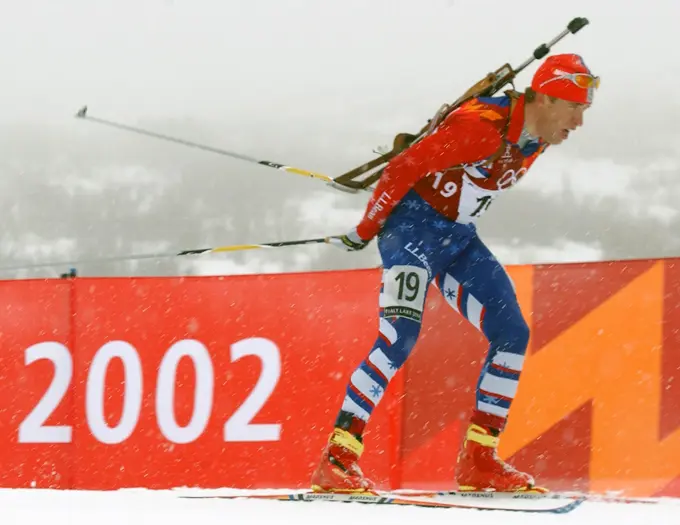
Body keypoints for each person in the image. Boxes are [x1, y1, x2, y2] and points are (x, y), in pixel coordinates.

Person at [311, 53, 599, 494]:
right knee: (398, 339)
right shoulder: (480, 130)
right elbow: (403, 168)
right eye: (574, 108)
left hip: (458, 240)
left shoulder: (537, 138)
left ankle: (479, 462)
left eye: (584, 110)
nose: (579, 123)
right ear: (544, 98)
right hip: (410, 234)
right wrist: (365, 229)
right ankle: (337, 460)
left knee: (512, 334)